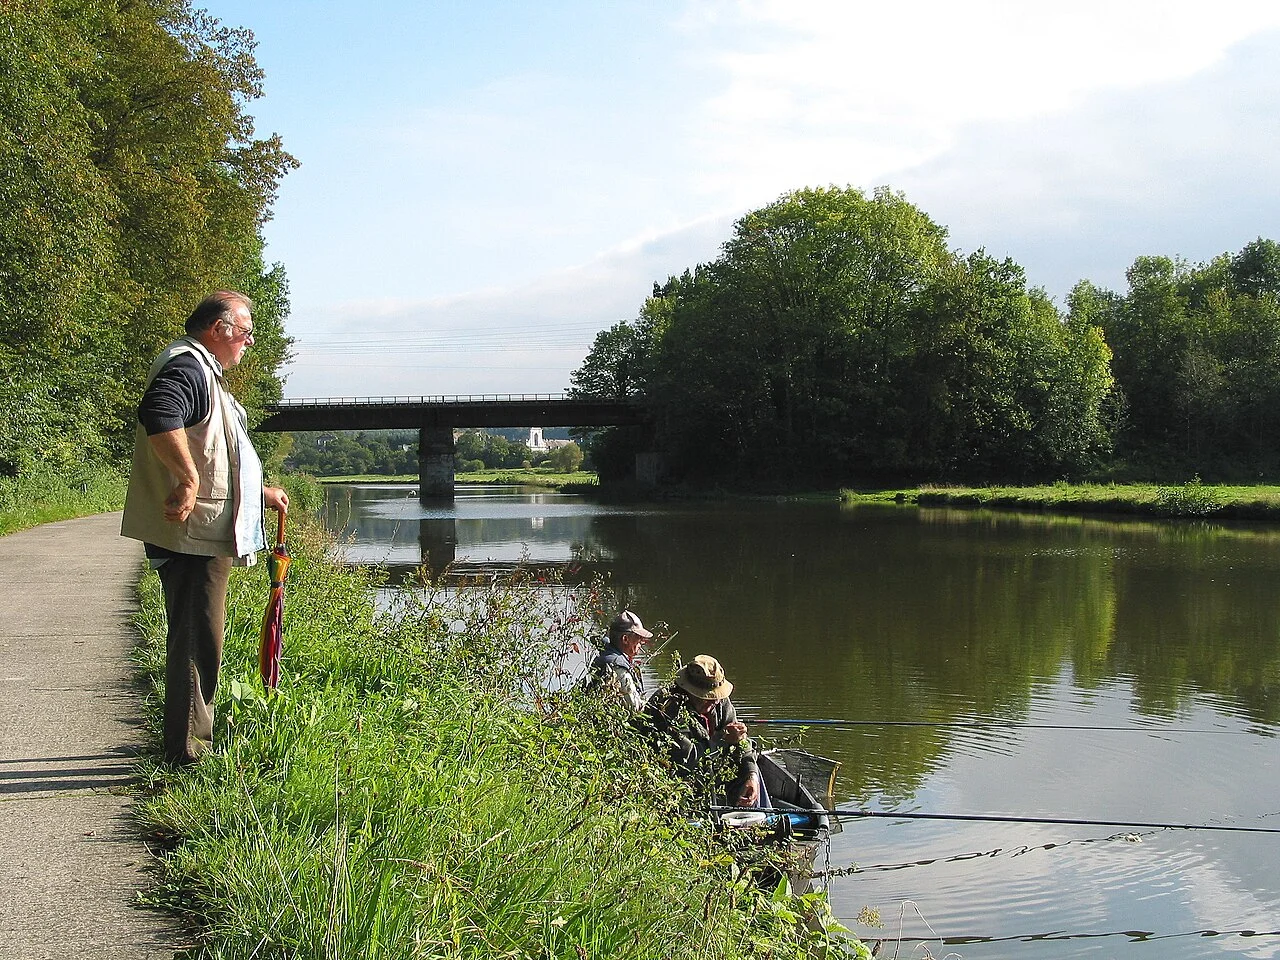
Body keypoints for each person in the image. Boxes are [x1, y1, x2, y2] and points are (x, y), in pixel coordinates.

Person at [121, 290, 288, 764]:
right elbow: (159, 412)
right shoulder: (188, 366)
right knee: (198, 639)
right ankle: (187, 751)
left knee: (200, 636)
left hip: (204, 531)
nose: (249, 343)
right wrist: (188, 478)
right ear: (220, 329)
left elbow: (218, 454)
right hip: (194, 537)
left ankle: (190, 739)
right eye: (246, 333)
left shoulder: (201, 371)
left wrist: (261, 493)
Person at [642, 654, 761, 807]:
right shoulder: (666, 707)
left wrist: (752, 775)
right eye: (707, 697)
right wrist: (723, 739)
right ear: (689, 691)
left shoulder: (719, 700)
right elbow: (685, 759)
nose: (715, 701)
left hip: (713, 770)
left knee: (754, 774)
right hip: (678, 783)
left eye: (716, 696)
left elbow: (740, 740)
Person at [585, 610, 652, 712]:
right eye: (638, 638)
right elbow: (634, 708)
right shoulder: (618, 667)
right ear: (625, 639)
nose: (642, 642)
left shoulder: (607, 654)